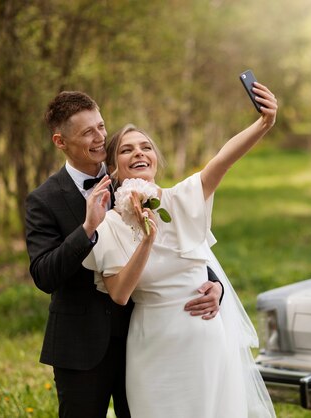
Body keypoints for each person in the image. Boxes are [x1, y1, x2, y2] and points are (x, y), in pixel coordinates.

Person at [82, 81, 278, 417]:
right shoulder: (109, 224)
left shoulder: (181, 199)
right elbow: (119, 294)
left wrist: (264, 123)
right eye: (127, 150)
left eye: (146, 147)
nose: (139, 153)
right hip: (153, 347)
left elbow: (223, 160)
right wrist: (146, 239)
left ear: (155, 159)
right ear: (113, 167)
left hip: (204, 341)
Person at [25, 91, 223, 418]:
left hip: (143, 338)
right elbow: (44, 275)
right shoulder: (44, 200)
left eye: (101, 126)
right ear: (60, 141)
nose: (100, 137)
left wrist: (215, 284)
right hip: (81, 346)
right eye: (87, 132)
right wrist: (87, 228)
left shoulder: (131, 176)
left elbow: (174, 241)